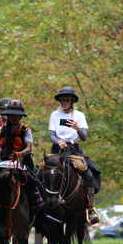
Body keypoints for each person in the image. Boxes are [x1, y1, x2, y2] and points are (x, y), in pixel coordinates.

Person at [48, 86, 100, 224]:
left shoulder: (79, 115)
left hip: (73, 149)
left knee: (89, 173)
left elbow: (84, 137)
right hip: (57, 149)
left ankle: (90, 208)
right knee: (43, 171)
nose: (65, 102)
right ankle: (41, 206)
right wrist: (58, 141)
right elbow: (52, 135)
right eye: (63, 100)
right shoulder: (54, 115)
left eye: (67, 100)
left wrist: (77, 128)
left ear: (72, 101)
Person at [0, 99, 44, 210]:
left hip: (22, 162)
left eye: (16, 115)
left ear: (20, 117)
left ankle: (37, 206)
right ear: (8, 116)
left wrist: (19, 154)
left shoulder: (26, 130)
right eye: (11, 115)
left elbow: (29, 148)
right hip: (3, 162)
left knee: (33, 182)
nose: (13, 118)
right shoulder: (1, 130)